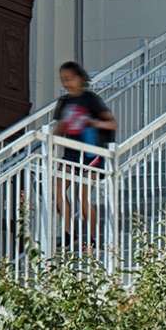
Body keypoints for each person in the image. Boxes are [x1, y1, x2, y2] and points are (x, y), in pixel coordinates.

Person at [49, 61, 116, 242]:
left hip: (91, 154)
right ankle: (69, 233)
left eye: (69, 79)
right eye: (63, 79)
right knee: (58, 190)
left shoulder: (90, 99)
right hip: (70, 154)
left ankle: (93, 237)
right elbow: (59, 127)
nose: (66, 83)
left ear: (79, 78)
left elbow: (111, 123)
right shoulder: (64, 102)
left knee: (82, 195)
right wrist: (50, 140)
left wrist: (92, 123)